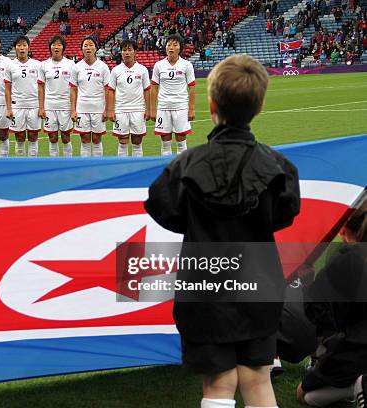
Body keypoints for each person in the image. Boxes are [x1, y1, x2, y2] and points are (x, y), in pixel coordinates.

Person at [145, 54, 301, 408]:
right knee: (258, 380)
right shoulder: (279, 167)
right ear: (259, 107)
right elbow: (285, 214)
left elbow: (162, 208)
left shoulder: (185, 165)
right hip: (258, 285)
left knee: (217, 385)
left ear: (212, 104)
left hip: (204, 287)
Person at [296, 203, 367, 406]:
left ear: (343, 229)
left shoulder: (348, 259)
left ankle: (358, 384)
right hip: (353, 345)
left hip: (355, 350)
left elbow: (317, 312)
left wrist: (307, 282)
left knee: (306, 395)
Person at [150, 34, 195, 156]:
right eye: (169, 44)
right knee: (165, 143)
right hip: (163, 107)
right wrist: (153, 110)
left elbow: (192, 87)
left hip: (181, 107)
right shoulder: (159, 65)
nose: (171, 47)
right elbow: (154, 88)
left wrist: (191, 109)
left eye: (175, 45)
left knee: (181, 141)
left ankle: (182, 169)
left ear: (180, 48)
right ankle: (167, 170)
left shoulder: (187, 65)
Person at [107, 39, 151, 157]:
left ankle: (137, 168)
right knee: (122, 141)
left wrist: (148, 109)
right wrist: (110, 110)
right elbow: (111, 91)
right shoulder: (116, 70)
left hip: (138, 109)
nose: (127, 53)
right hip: (121, 110)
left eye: (129, 50)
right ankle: (123, 169)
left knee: (137, 141)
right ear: (121, 52)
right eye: (124, 50)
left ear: (135, 51)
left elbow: (147, 90)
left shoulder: (142, 70)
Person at [69, 36, 110, 157]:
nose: (88, 48)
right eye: (85, 45)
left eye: (91, 45)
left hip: (98, 108)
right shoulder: (76, 67)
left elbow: (108, 89)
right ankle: (85, 170)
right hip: (82, 109)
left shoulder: (103, 67)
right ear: (81, 49)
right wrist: (73, 110)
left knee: (97, 139)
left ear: (96, 48)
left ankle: (97, 168)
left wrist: (107, 109)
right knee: (85, 140)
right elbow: (73, 89)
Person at [4, 35, 43, 157]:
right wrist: (9, 108)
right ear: (15, 48)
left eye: (24, 45)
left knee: (33, 136)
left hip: (33, 105)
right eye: (19, 45)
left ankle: (33, 164)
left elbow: (42, 87)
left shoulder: (37, 65)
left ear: (28, 48)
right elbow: (7, 88)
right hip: (17, 106)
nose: (22, 48)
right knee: (19, 137)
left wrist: (42, 107)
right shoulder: (10, 65)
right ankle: (19, 165)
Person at [39, 35, 75, 157]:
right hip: (49, 106)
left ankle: (67, 163)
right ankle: (53, 164)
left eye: (59, 44)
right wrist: (41, 107)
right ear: (50, 47)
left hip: (65, 105)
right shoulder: (43, 65)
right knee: (52, 137)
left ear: (63, 48)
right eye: (54, 44)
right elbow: (41, 87)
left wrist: (74, 108)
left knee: (66, 137)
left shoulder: (71, 64)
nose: (56, 47)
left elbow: (74, 87)